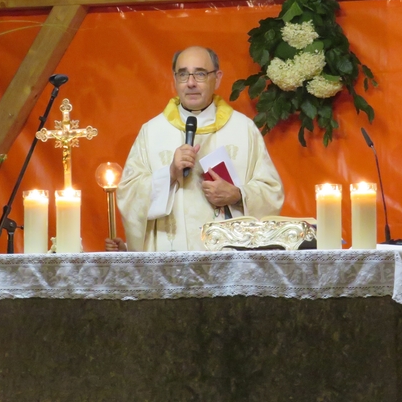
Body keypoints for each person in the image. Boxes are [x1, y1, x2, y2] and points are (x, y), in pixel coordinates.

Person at [111, 46, 284, 252]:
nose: (191, 83)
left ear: (217, 78)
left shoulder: (242, 128)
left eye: (200, 74)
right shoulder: (152, 132)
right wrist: (169, 175)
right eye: (183, 74)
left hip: (230, 261)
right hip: (172, 263)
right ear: (174, 80)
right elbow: (128, 195)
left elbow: (272, 192)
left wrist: (238, 194)